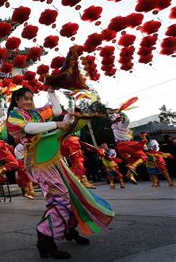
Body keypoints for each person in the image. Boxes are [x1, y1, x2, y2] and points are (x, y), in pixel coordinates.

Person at [7, 87, 114, 259]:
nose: (28, 101)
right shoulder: (14, 116)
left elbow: (56, 110)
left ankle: (67, 229)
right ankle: (45, 238)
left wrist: (50, 92)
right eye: (25, 98)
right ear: (17, 100)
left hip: (51, 157)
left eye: (31, 98)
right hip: (38, 161)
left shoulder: (35, 113)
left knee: (71, 193)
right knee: (59, 197)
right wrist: (57, 124)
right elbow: (29, 128)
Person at [0, 94, 34, 199]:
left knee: (17, 165)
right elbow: (2, 109)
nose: (5, 113)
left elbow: (7, 112)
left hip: (2, 144)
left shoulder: (2, 119)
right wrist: (1, 98)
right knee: (14, 164)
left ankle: (27, 189)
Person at [109, 109, 147, 184]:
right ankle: (133, 167)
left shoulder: (112, 126)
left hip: (119, 147)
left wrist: (118, 115)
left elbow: (117, 120)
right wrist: (121, 112)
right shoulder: (121, 124)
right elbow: (127, 119)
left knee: (131, 161)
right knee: (144, 157)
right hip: (126, 145)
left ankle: (129, 175)